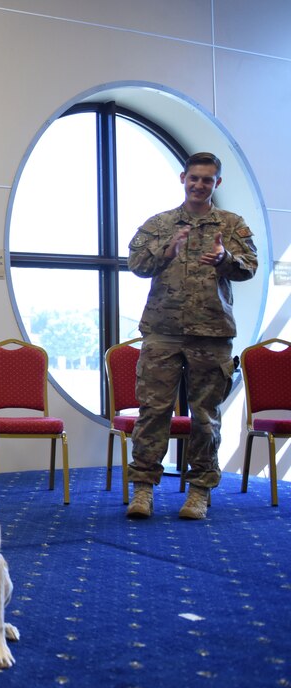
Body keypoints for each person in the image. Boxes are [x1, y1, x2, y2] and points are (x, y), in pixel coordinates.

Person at [126, 151, 258, 520]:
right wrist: (165, 250)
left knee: (205, 416)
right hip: (162, 333)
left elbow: (249, 267)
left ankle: (198, 491)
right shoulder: (160, 223)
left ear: (218, 183)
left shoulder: (231, 224)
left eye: (207, 179)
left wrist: (224, 259)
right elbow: (136, 264)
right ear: (183, 178)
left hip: (212, 334)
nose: (199, 185)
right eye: (194, 178)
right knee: (153, 412)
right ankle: (143, 490)